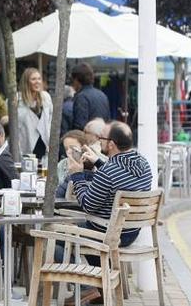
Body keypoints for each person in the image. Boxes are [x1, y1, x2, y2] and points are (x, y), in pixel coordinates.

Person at [64, 121, 152, 305]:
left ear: (111, 144)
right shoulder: (144, 165)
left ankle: (89, 288)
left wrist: (77, 174)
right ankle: (102, 288)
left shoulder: (108, 173)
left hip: (108, 234)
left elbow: (87, 204)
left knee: (62, 232)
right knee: (77, 229)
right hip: (131, 231)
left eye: (101, 138)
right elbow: (118, 175)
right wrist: (98, 161)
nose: (99, 141)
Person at [17, 68, 53, 159]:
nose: (37, 82)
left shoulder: (46, 97)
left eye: (39, 78)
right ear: (26, 82)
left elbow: (50, 119)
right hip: (25, 142)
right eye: (33, 79)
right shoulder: (17, 99)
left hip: (43, 142)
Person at [70, 62, 110, 130]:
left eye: (72, 80)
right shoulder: (102, 95)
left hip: (88, 137)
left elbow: (79, 125)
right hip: (102, 137)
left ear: (76, 80)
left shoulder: (81, 97)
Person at [55, 130, 91, 198]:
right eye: (66, 149)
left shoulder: (92, 164)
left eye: (72, 148)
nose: (68, 152)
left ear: (83, 148)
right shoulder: (61, 164)